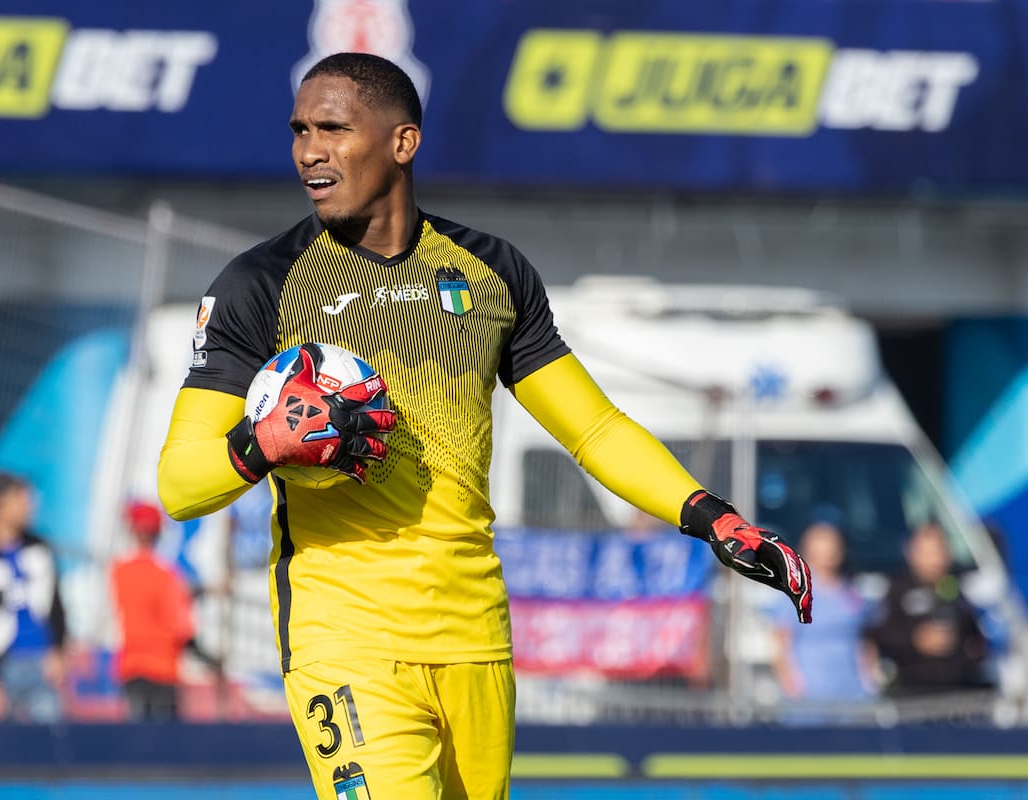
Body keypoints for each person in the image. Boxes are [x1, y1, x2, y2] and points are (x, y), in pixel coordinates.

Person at [157, 52, 813, 800]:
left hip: (476, 637)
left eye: (334, 128)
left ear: (402, 143)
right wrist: (263, 442)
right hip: (344, 639)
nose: (310, 150)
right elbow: (178, 482)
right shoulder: (260, 284)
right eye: (300, 130)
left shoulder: (490, 273)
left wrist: (715, 519)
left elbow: (593, 429)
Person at [0, 473, 67, 722]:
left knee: (50, 745)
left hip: (42, 663)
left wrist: (59, 651)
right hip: (2, 667)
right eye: (20, 499)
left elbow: (56, 604)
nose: (28, 506)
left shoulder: (39, 548)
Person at [865, 520, 989, 696]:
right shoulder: (897, 591)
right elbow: (879, 635)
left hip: (957, 693)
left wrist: (969, 651)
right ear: (912, 553)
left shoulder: (956, 589)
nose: (935, 559)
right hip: (913, 695)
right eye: (928, 553)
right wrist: (915, 639)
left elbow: (976, 640)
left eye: (939, 551)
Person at [770, 520, 874, 712]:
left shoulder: (851, 592)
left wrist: (870, 681)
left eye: (833, 544)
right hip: (810, 694)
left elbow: (863, 640)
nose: (828, 551)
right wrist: (791, 683)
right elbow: (781, 642)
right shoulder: (796, 592)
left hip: (851, 692)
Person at [110, 499, 195, 721]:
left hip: (131, 666)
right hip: (163, 668)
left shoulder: (119, 572)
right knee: (164, 748)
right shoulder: (168, 576)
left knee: (135, 744)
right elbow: (182, 627)